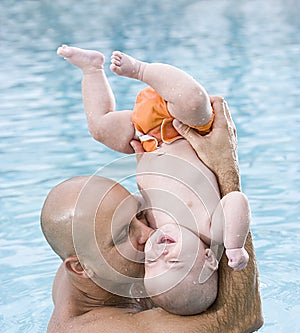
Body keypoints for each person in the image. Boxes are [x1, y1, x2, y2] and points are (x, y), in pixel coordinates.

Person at [42, 95, 263, 333]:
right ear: (80, 268)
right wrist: (225, 166)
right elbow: (241, 320)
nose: (148, 232)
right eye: (124, 234)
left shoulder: (99, 255)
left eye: (139, 213)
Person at [57, 45, 250, 315]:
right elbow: (236, 200)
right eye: (172, 265)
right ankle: (141, 70)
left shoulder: (153, 228)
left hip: (145, 141)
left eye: (151, 265)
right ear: (209, 260)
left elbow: (137, 201)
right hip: (183, 128)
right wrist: (234, 246)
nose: (158, 254)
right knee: (194, 101)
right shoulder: (211, 231)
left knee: (101, 128)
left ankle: (92, 69)